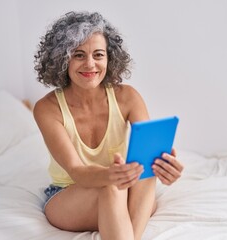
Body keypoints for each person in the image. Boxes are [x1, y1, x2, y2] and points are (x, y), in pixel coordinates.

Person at [33, 11, 184, 240]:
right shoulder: (47, 108)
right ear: (63, 59)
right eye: (79, 55)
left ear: (109, 58)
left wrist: (166, 166)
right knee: (111, 186)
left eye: (98, 54)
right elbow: (77, 171)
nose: (90, 64)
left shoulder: (128, 97)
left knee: (146, 166)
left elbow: (148, 155)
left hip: (125, 186)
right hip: (70, 194)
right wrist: (111, 177)